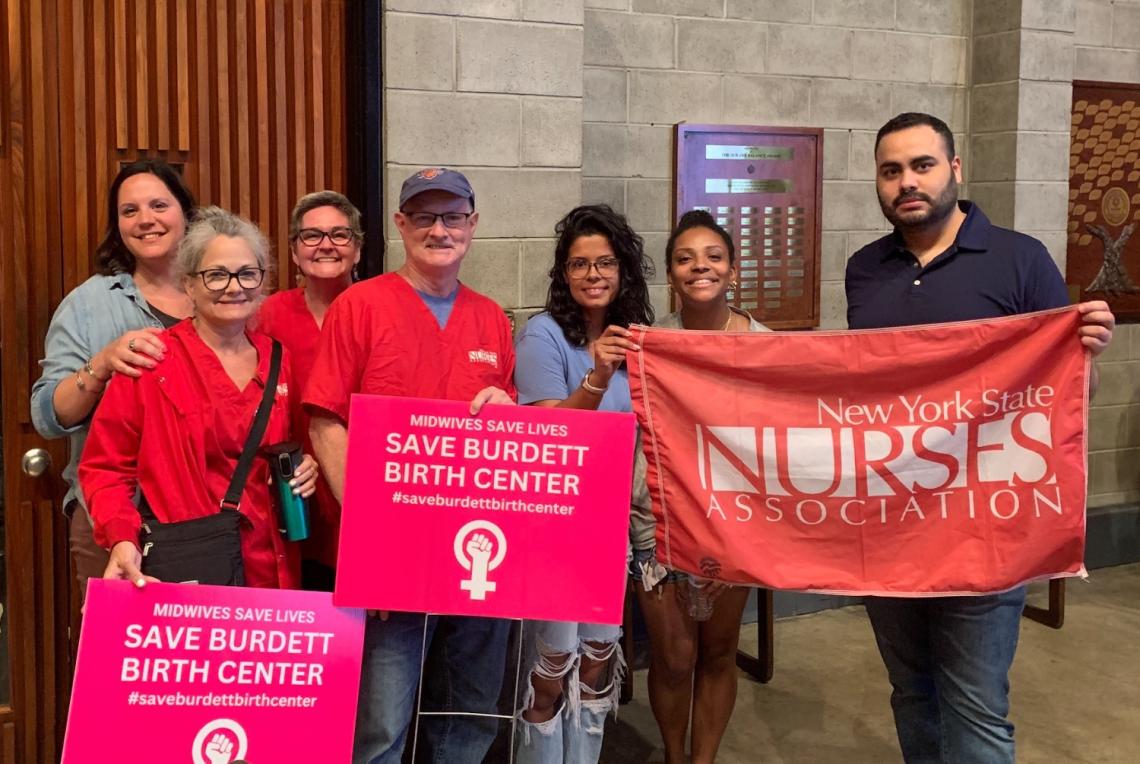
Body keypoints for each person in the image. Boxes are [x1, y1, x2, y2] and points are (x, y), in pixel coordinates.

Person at [845, 112, 1116, 763]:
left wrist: (1087, 355)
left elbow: (1070, 393)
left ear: (955, 170)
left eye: (922, 165)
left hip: (986, 523)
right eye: (891, 171)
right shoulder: (863, 270)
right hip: (890, 521)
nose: (908, 182)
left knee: (974, 706)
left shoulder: (1021, 258)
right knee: (911, 691)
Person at [304, 168, 516, 764]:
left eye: (452, 216)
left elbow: (507, 435)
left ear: (472, 225)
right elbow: (325, 422)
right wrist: (374, 530)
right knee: (380, 726)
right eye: (423, 217)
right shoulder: (360, 306)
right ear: (400, 225)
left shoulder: (492, 318)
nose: (439, 229)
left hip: (479, 555)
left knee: (470, 712)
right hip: (391, 555)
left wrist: (507, 408)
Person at [79, 206, 319, 589]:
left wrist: (306, 467)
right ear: (189, 284)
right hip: (190, 568)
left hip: (272, 569)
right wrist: (122, 537)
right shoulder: (152, 361)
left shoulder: (279, 359)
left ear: (262, 282)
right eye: (216, 275)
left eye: (247, 273)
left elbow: (296, 447)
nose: (234, 286)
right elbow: (105, 470)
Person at [513, 205, 653, 762]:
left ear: (623, 271)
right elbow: (552, 435)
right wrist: (597, 377)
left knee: (597, 663)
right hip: (550, 531)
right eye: (579, 264)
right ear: (563, 274)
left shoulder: (639, 340)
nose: (593, 274)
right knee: (550, 669)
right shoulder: (542, 334)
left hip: (608, 527)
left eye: (604, 263)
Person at [629, 210, 770, 764]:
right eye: (685, 259)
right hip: (658, 522)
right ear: (670, 275)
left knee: (718, 652)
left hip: (734, 523)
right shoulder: (652, 345)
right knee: (674, 658)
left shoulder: (766, 345)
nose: (699, 267)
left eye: (713, 256)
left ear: (733, 270)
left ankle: (703, 759)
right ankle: (672, 755)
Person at [30, 159, 196, 598]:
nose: (146, 219)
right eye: (129, 211)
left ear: (185, 213)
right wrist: (101, 365)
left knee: (199, 661)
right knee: (118, 661)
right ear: (117, 225)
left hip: (206, 515)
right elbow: (48, 415)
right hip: (113, 516)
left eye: (159, 204)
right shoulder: (88, 304)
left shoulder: (222, 295)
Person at [257, 190, 361, 591]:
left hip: (360, 501)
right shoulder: (267, 315)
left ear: (357, 247)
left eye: (340, 234)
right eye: (311, 236)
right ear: (295, 251)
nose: (326, 245)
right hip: (290, 498)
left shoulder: (380, 309)